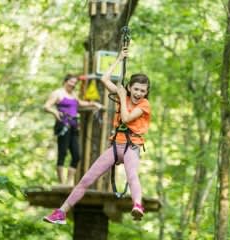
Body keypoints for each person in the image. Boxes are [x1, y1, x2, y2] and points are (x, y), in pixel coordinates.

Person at [43, 49, 151, 224]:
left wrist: (123, 97)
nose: (139, 93)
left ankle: (137, 205)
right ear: (130, 87)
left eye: (143, 91)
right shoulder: (123, 94)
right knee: (86, 179)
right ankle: (61, 212)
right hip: (116, 146)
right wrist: (119, 59)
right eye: (136, 89)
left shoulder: (144, 105)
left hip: (132, 146)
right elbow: (104, 79)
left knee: (132, 176)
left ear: (146, 93)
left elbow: (126, 118)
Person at [44, 74, 102, 186]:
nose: (73, 84)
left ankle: (69, 182)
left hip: (74, 126)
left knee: (76, 155)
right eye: (71, 82)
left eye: (75, 83)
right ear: (65, 81)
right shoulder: (57, 93)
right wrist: (55, 112)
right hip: (63, 125)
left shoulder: (73, 94)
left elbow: (80, 103)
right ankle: (61, 183)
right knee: (63, 153)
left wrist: (93, 103)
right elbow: (46, 106)